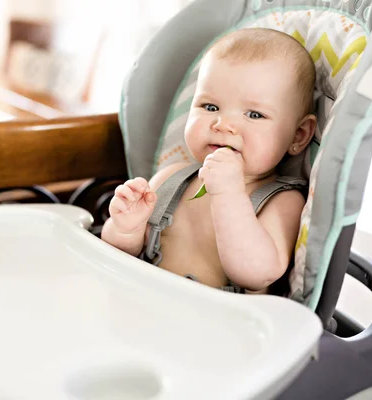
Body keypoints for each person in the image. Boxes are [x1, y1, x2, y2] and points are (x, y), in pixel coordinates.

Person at [101, 27, 317, 294]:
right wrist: (124, 229)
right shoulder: (170, 179)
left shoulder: (284, 201)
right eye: (210, 107)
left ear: (298, 135)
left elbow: (257, 273)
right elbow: (119, 255)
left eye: (254, 115)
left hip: (218, 328)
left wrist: (229, 193)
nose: (223, 124)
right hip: (143, 306)